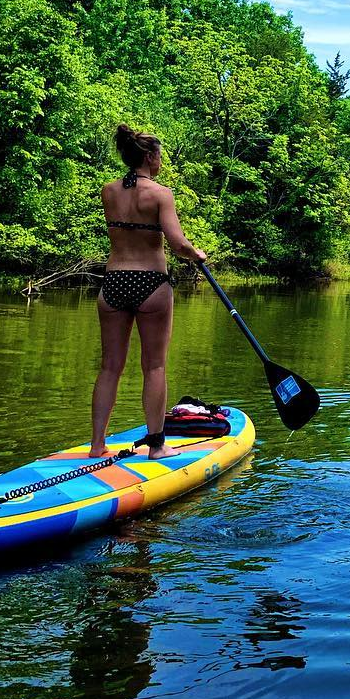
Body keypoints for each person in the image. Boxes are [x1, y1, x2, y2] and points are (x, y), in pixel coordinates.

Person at [91, 124, 207, 460]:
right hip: (150, 283)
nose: (161, 161)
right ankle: (157, 446)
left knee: (110, 366)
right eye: (159, 155)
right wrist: (195, 254)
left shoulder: (109, 190)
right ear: (149, 157)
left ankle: (97, 445)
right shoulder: (160, 194)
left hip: (113, 281)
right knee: (154, 366)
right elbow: (177, 243)